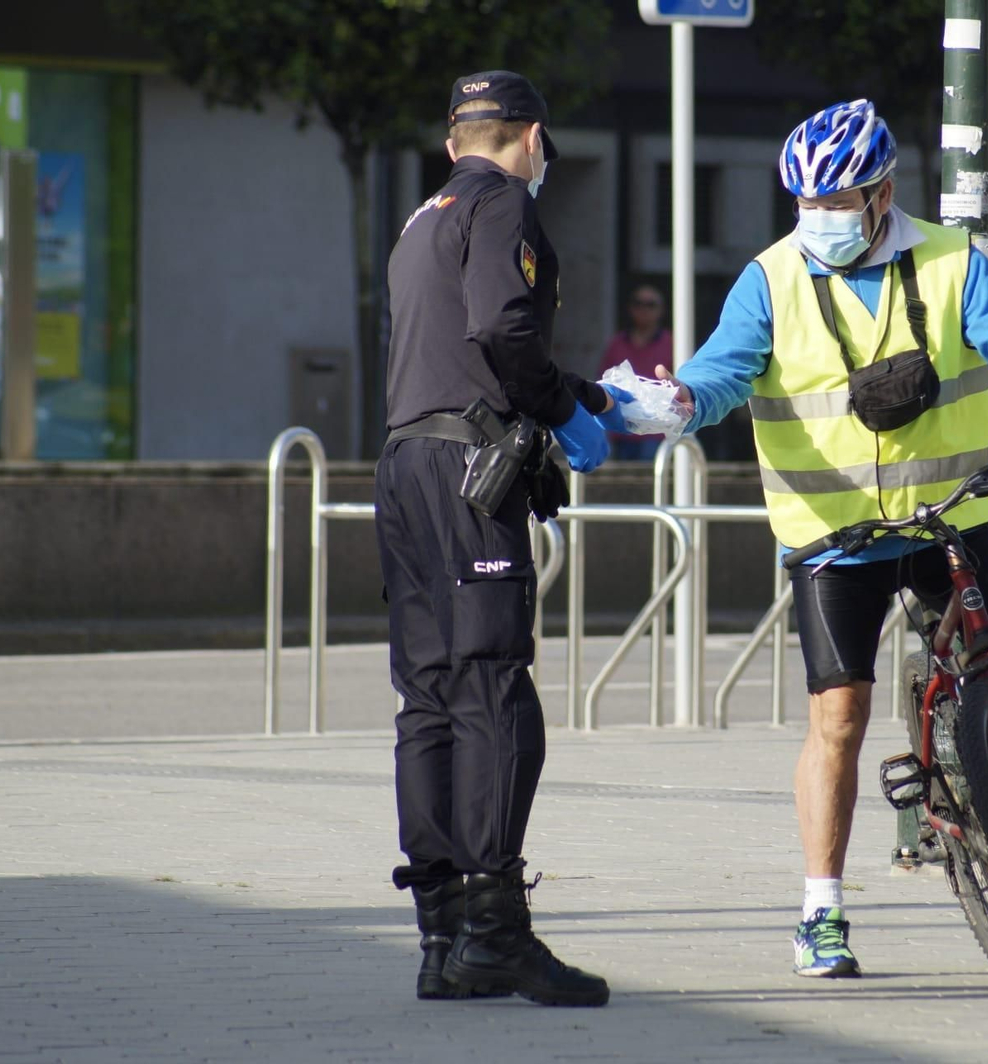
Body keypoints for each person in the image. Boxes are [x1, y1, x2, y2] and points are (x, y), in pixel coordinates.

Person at [654, 99, 988, 978]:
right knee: (838, 719)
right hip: (833, 537)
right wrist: (685, 398)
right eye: (807, 203)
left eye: (838, 202)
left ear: (883, 195)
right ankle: (821, 912)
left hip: (947, 518)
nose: (821, 218)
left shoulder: (953, 261)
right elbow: (723, 369)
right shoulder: (770, 279)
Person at [374, 70, 628, 1008]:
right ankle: (496, 933)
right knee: (491, 690)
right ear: (531, 138)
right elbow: (504, 329)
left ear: (452, 141)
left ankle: (441, 937)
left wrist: (589, 395)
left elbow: (457, 346)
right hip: (467, 478)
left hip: (406, 465)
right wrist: (565, 411)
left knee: (430, 697)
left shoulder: (424, 217)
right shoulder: (504, 202)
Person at [597, 285, 674, 459]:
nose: (644, 309)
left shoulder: (672, 344)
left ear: (661, 310)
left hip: (656, 432)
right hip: (620, 430)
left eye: (650, 304)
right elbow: (601, 382)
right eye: (638, 303)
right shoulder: (617, 343)